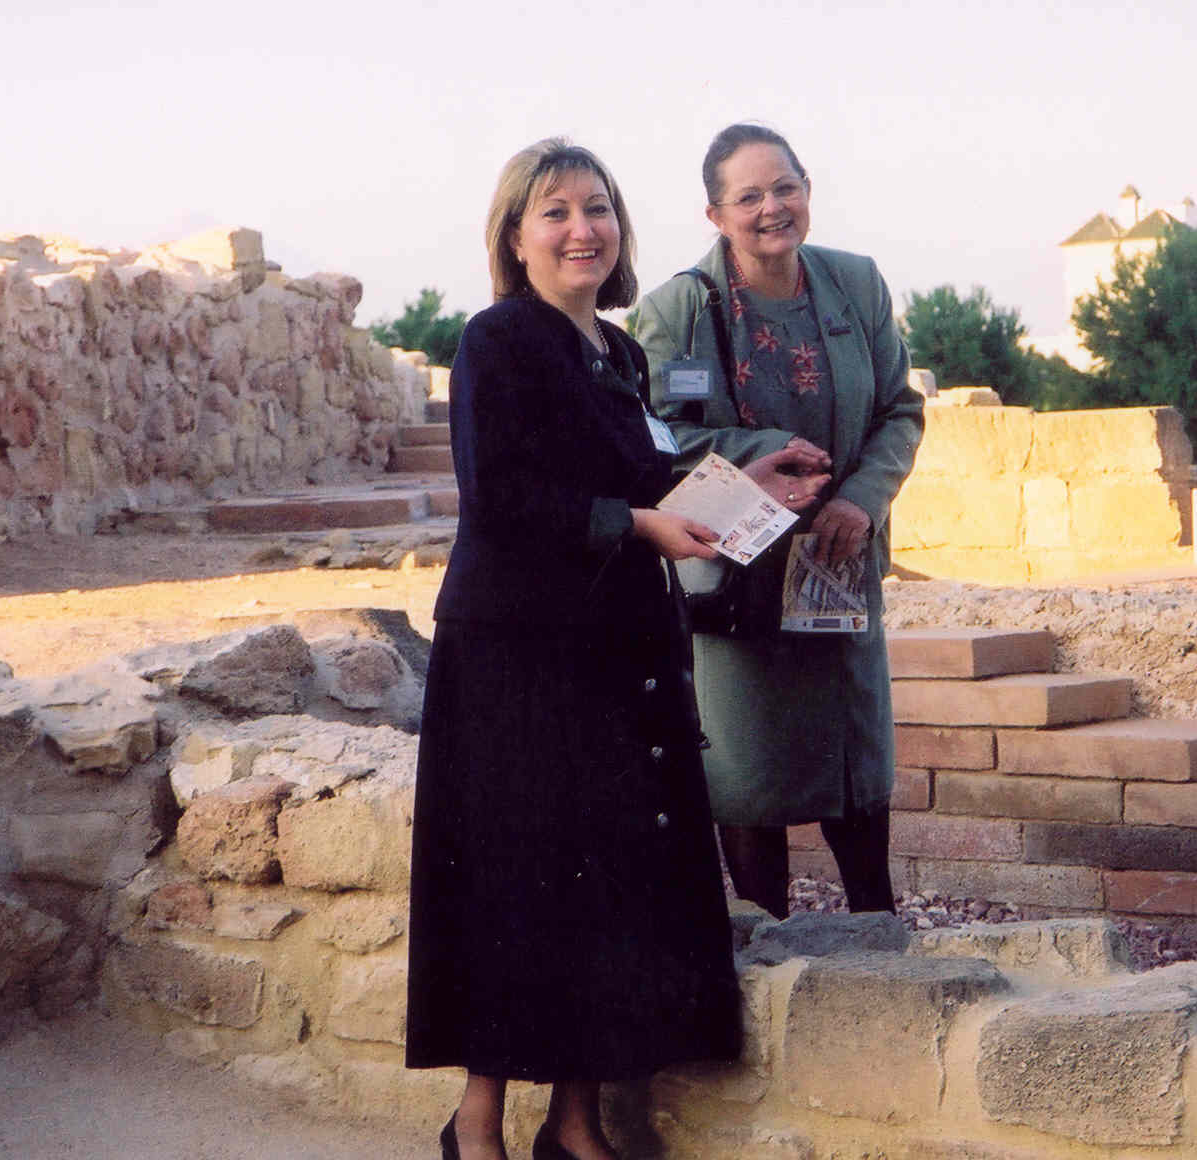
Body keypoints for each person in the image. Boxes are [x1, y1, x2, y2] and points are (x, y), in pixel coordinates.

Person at [406, 138, 813, 1160]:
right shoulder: (498, 339)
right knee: (517, 877)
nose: (582, 229)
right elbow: (500, 498)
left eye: (597, 208)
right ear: (515, 236)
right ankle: (476, 1125)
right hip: (516, 656)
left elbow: (647, 479)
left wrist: (754, 483)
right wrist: (636, 525)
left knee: (606, 879)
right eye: (555, 212)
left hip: (613, 651)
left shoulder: (618, 354)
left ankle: (575, 1122)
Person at [630, 123, 926, 920]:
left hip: (836, 560)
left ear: (807, 191)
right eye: (749, 196)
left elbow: (899, 410)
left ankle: (879, 937)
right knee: (750, 775)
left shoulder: (854, 284)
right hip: (734, 581)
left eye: (785, 187)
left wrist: (862, 498)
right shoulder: (677, 312)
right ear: (715, 215)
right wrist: (763, 450)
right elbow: (660, 438)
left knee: (853, 766)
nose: (772, 208)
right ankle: (769, 945)